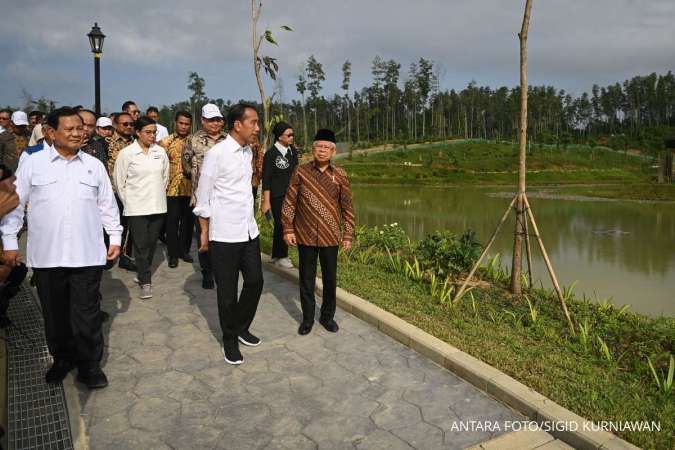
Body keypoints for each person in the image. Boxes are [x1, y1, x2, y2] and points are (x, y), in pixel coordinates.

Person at [0, 107, 122, 389]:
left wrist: (114, 237)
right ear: (51, 132)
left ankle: (89, 366)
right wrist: (9, 242)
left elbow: (107, 205)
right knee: (54, 316)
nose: (78, 133)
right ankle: (62, 358)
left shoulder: (93, 166)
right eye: (70, 129)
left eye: (81, 128)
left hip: (87, 255)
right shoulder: (32, 163)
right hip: (47, 256)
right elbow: (15, 205)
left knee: (87, 315)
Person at [193, 103, 264, 365]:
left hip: (248, 231)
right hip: (224, 235)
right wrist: (204, 233)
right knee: (227, 293)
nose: (257, 127)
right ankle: (230, 340)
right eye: (253, 122)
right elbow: (204, 195)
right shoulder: (217, 154)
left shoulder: (247, 152)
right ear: (238, 125)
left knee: (255, 281)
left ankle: (241, 326)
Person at [282, 129, 355, 335]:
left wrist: (348, 234)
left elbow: (347, 207)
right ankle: (307, 319)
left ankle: (327, 317)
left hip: (330, 235)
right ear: (313, 150)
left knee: (330, 278)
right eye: (318, 147)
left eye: (326, 148)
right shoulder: (301, 171)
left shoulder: (340, 175)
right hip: (304, 234)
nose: (321, 151)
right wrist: (288, 229)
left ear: (332, 151)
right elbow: (289, 203)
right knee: (306, 278)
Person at [113, 116, 169, 299]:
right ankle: (146, 281)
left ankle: (142, 271)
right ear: (137, 132)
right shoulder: (127, 153)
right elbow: (119, 181)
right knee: (140, 244)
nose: (152, 136)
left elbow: (164, 178)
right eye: (148, 132)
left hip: (157, 206)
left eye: (154, 132)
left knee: (152, 242)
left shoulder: (160, 152)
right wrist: (128, 201)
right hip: (136, 207)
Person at [182, 103, 226, 289]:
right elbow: (185, 166)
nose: (215, 123)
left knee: (222, 237)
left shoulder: (228, 140)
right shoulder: (192, 140)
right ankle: (207, 273)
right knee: (203, 237)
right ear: (203, 120)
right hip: (201, 199)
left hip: (224, 198)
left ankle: (222, 271)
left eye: (218, 120)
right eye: (211, 120)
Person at [159, 111, 194, 268]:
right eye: (181, 123)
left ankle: (184, 251)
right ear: (175, 122)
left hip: (192, 190)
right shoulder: (165, 143)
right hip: (171, 190)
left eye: (187, 124)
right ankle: (173, 255)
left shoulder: (195, 142)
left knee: (188, 223)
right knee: (171, 224)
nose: (184, 126)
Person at [261, 122, 298, 269]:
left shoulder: (292, 152)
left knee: (280, 225)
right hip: (277, 195)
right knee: (283, 224)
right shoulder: (271, 154)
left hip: (291, 195)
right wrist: (266, 201)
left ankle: (276, 255)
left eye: (292, 135)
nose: (292, 137)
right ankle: (282, 256)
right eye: (289, 135)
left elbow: (296, 174)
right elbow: (267, 179)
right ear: (279, 136)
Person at [106, 112, 136, 271]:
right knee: (110, 225)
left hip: (131, 191)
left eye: (131, 124)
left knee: (129, 226)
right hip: (111, 191)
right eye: (125, 124)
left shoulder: (136, 143)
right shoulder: (106, 143)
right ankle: (107, 254)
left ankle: (125, 256)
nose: (129, 127)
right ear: (116, 125)